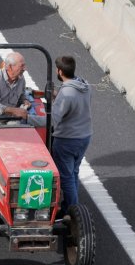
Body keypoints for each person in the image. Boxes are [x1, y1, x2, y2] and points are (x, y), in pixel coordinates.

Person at [50, 56, 92, 215]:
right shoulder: (85, 85)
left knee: (66, 176)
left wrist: (27, 117)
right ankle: (72, 204)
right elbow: (76, 105)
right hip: (85, 136)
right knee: (74, 171)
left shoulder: (66, 92)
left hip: (67, 140)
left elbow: (54, 119)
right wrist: (57, 96)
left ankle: (73, 211)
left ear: (59, 71)